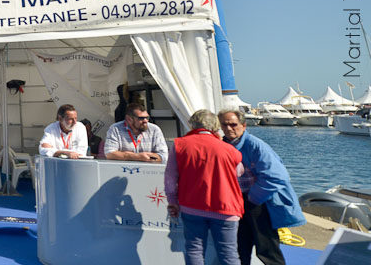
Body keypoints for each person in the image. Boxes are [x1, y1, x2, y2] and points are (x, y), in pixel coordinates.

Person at [217, 108, 306, 265]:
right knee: (239, 248)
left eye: (233, 124)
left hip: (258, 203)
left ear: (244, 126)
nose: (229, 128)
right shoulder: (221, 146)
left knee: (267, 249)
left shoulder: (256, 146)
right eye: (225, 125)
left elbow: (277, 176)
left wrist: (253, 199)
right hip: (235, 203)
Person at [165, 110, 244, 265]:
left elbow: (170, 176)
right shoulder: (229, 149)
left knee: (194, 249)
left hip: (191, 206)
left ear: (192, 125)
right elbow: (239, 172)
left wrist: (172, 200)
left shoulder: (180, 145)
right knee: (229, 254)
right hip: (225, 207)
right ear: (215, 126)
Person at [103, 103, 167, 162]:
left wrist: (149, 158)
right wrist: (137, 157)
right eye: (141, 118)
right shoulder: (115, 129)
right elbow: (109, 153)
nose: (145, 121)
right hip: (123, 171)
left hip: (148, 171)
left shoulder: (154, 129)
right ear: (129, 119)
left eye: (147, 117)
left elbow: (164, 156)